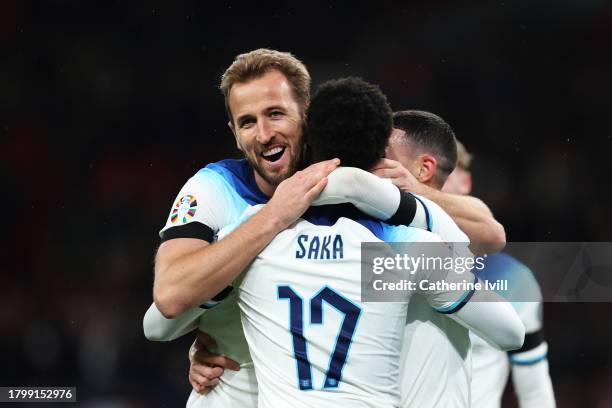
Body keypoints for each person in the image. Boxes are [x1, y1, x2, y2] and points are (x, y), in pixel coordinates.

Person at [146, 77, 524, 407]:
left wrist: (208, 323)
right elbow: (511, 330)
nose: (264, 132)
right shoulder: (411, 242)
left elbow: (158, 324)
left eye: (275, 114)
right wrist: (401, 200)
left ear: (309, 129)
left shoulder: (252, 236)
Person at [442, 142, 556, 408]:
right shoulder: (384, 267)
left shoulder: (515, 280)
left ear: (465, 182)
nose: (434, 183)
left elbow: (535, 393)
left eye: (446, 170)